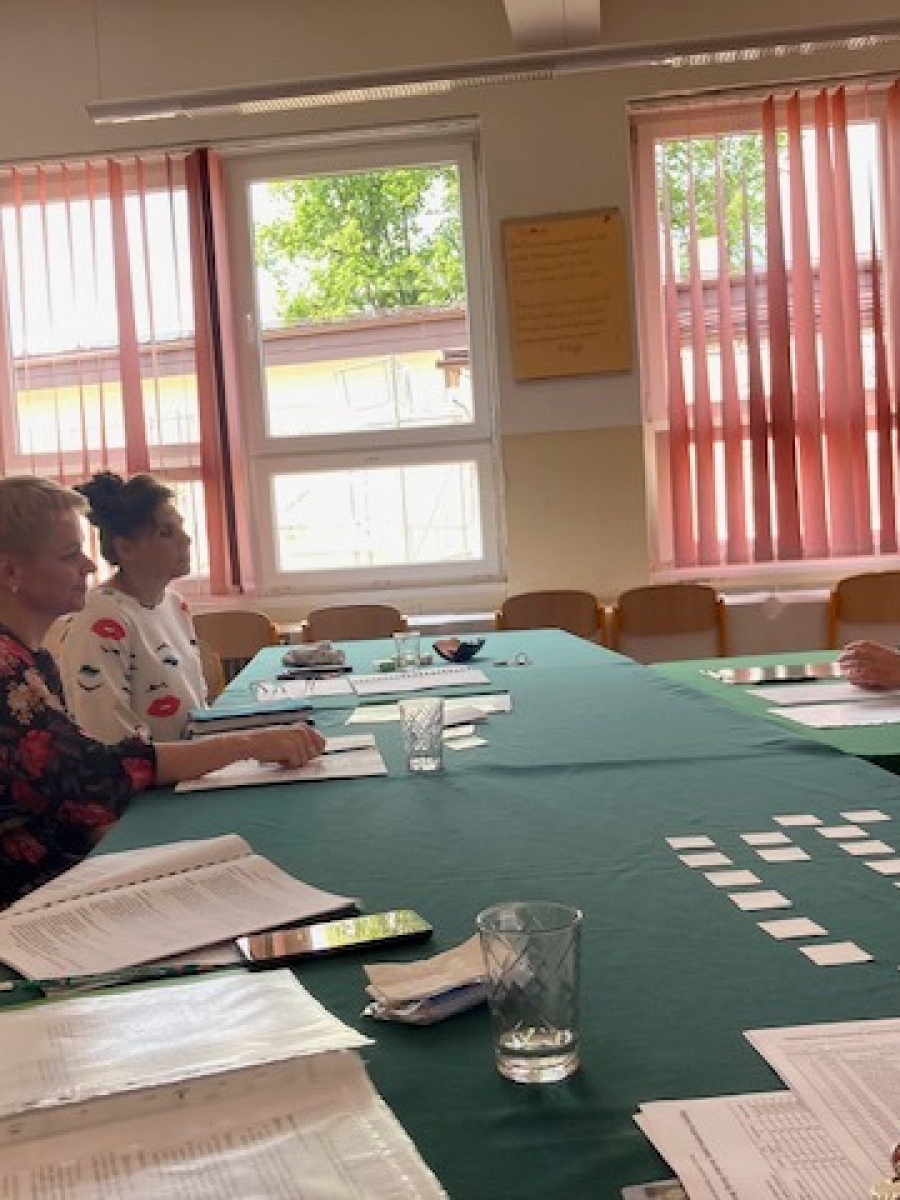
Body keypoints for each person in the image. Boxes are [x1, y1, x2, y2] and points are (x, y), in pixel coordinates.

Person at [0, 476, 324, 908]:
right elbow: (96, 775)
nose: (89, 566)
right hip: (31, 897)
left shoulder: (31, 658)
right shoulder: (9, 669)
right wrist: (247, 745)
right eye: (69, 555)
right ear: (10, 572)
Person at [54, 471, 206, 743]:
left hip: (192, 760)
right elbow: (108, 736)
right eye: (166, 533)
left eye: (181, 528)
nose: (186, 540)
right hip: (152, 769)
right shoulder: (99, 620)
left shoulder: (175, 604)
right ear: (125, 548)